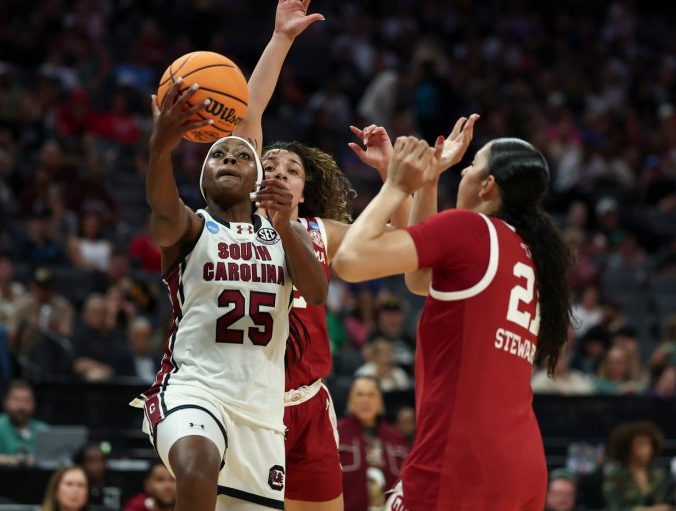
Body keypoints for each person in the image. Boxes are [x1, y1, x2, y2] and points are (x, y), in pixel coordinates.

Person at [131, 38, 328, 511]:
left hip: (259, 411)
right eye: (219, 156)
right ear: (202, 178)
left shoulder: (283, 234)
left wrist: (286, 226)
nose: (230, 161)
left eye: (241, 157)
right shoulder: (192, 227)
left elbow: (317, 291)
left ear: (257, 179)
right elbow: (162, 211)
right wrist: (160, 150)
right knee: (197, 468)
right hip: (192, 389)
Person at [332, 129, 573, 510]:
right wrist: (427, 182)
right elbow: (421, 279)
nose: (463, 171)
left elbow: (351, 260)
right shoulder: (530, 253)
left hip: (460, 459)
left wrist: (397, 185)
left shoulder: (470, 230)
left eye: (472, 164)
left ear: (487, 185)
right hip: (522, 463)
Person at [232, 2, 407, 508]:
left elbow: (406, 237)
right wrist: (281, 39)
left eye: (292, 170)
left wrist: (392, 175)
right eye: (270, 165)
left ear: (305, 192)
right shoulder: (235, 220)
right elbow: (248, 113)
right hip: (245, 403)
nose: (279, 172)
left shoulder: (321, 232)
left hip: (307, 403)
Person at [337, 376, 408, 511]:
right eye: (360, 395)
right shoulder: (336, 433)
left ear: (380, 400)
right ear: (350, 400)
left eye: (371, 395)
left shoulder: (396, 437)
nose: (365, 400)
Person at [602, 421, 674, 511]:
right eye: (641, 445)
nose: (648, 449)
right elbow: (614, 507)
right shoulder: (615, 476)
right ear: (628, 447)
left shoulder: (660, 474)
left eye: (650, 444)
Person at [0, 379, 49, 466]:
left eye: (27, 400)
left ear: (34, 403)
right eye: (16, 400)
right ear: (5, 402)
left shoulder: (43, 429)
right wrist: (21, 460)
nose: (21, 406)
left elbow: (51, 459)